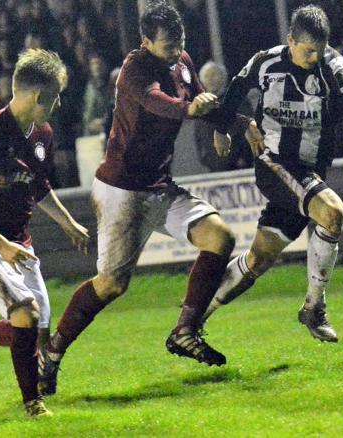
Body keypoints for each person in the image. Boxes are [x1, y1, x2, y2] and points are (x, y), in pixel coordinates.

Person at [38, 0, 261, 396]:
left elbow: (200, 102)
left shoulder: (182, 60)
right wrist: (191, 108)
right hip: (122, 190)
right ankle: (51, 354)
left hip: (159, 186)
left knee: (220, 238)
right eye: (167, 46)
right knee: (110, 285)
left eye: (180, 44)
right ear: (145, 41)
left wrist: (238, 123)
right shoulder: (134, 70)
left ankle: (185, 330)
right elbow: (160, 102)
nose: (176, 52)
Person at [204, 5, 343, 342]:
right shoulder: (266, 61)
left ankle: (194, 316)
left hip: (309, 172)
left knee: (260, 258)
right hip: (274, 163)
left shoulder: (333, 65)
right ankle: (314, 308)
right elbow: (236, 89)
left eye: (319, 49)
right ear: (290, 41)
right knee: (332, 213)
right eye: (307, 50)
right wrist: (222, 128)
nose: (314, 56)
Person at [0, 49, 90, 417]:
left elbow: (38, 185)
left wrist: (68, 223)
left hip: (17, 242)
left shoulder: (42, 133)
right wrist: (1, 245)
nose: (57, 105)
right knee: (25, 313)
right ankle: (33, 404)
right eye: (55, 97)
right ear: (40, 96)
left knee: (38, 330)